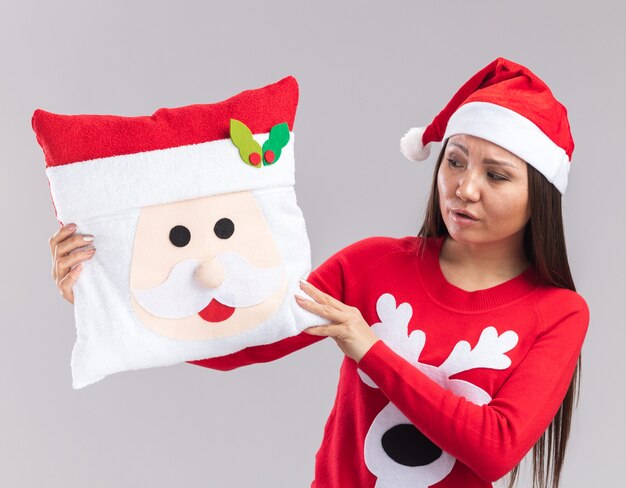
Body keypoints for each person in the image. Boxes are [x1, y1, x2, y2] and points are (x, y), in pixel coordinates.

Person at [48, 57, 589, 488]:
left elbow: (493, 450)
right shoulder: (374, 264)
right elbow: (245, 338)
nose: (464, 187)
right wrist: (109, 295)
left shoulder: (558, 312)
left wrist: (369, 347)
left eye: (496, 174)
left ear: (538, 195)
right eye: (455, 160)